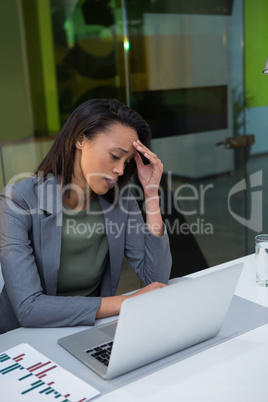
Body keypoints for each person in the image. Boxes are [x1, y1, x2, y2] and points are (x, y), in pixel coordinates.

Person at [0, 98, 172, 334]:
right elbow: (29, 308)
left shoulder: (121, 200)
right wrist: (126, 302)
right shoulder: (17, 200)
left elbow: (157, 278)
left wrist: (151, 194)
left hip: (89, 328)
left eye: (127, 161)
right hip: (23, 338)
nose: (121, 170)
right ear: (81, 139)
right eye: (115, 155)